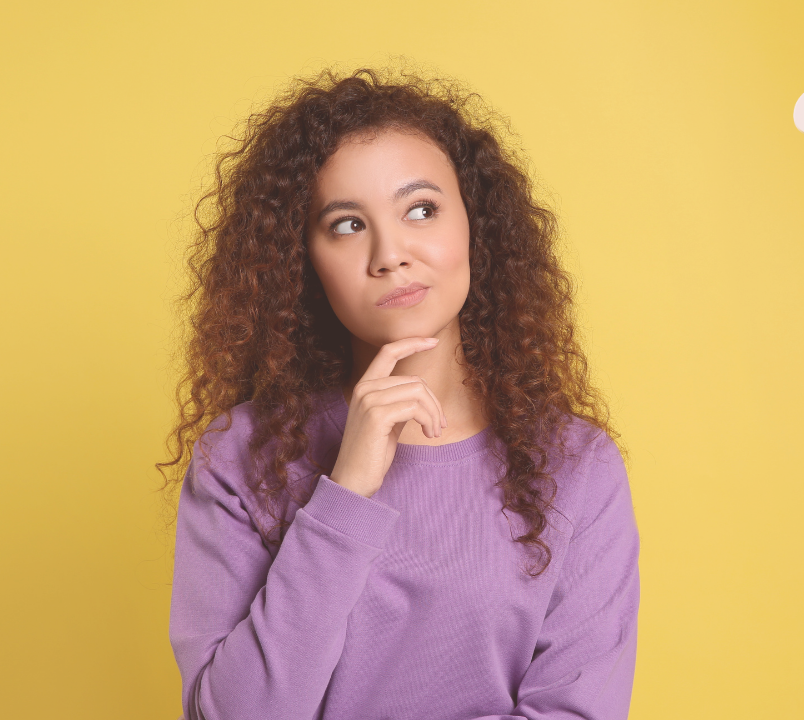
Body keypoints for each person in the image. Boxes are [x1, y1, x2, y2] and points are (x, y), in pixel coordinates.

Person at [157, 66, 641, 720]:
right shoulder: (239, 456)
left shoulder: (576, 466)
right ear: (304, 260)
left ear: (475, 225)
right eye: (347, 224)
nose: (390, 253)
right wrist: (345, 493)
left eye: (421, 209)